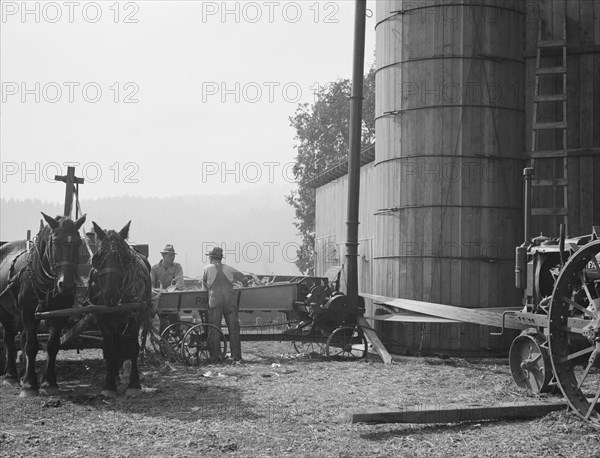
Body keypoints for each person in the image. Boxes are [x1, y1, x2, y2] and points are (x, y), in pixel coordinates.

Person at [202, 247, 246, 363]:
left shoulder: (207, 269)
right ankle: (236, 356)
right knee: (234, 328)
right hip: (229, 299)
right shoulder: (229, 268)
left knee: (214, 327)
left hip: (215, 299)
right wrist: (243, 288)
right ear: (221, 259)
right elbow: (244, 278)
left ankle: (215, 357)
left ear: (211, 258)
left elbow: (204, 288)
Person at [151, 244, 184, 332]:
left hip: (173, 300)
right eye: (170, 255)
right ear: (163, 255)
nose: (172, 257)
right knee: (164, 321)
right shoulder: (154, 268)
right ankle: (164, 341)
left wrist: (168, 290)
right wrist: (160, 291)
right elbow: (150, 286)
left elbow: (180, 284)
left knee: (175, 321)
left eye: (173, 255)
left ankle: (177, 337)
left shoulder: (177, 267)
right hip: (159, 300)